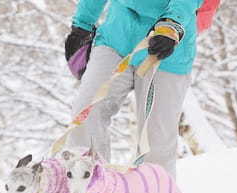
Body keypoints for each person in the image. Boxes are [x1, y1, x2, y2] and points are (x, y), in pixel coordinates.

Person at [64, 0, 204, 178]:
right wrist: (82, 25)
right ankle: (87, 190)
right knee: (86, 112)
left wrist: (172, 24)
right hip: (117, 36)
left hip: (168, 47)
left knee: (156, 141)